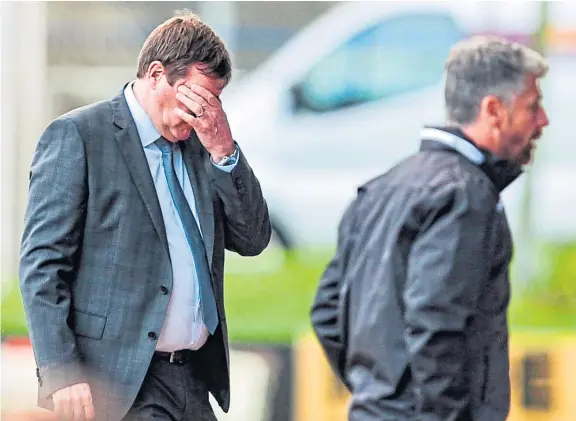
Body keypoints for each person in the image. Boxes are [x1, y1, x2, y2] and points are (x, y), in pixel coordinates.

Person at [19, 10, 271, 421]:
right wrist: (60, 371)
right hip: (119, 382)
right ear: (156, 74)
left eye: (212, 100)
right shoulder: (79, 136)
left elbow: (253, 238)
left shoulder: (204, 145)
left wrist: (225, 150)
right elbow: (42, 265)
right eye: (194, 96)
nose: (201, 112)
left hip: (192, 380)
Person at [310, 35, 549, 421]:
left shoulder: (383, 186)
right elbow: (435, 325)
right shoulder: (467, 193)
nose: (543, 120)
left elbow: (327, 310)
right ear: (494, 110)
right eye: (532, 106)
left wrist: (380, 391)